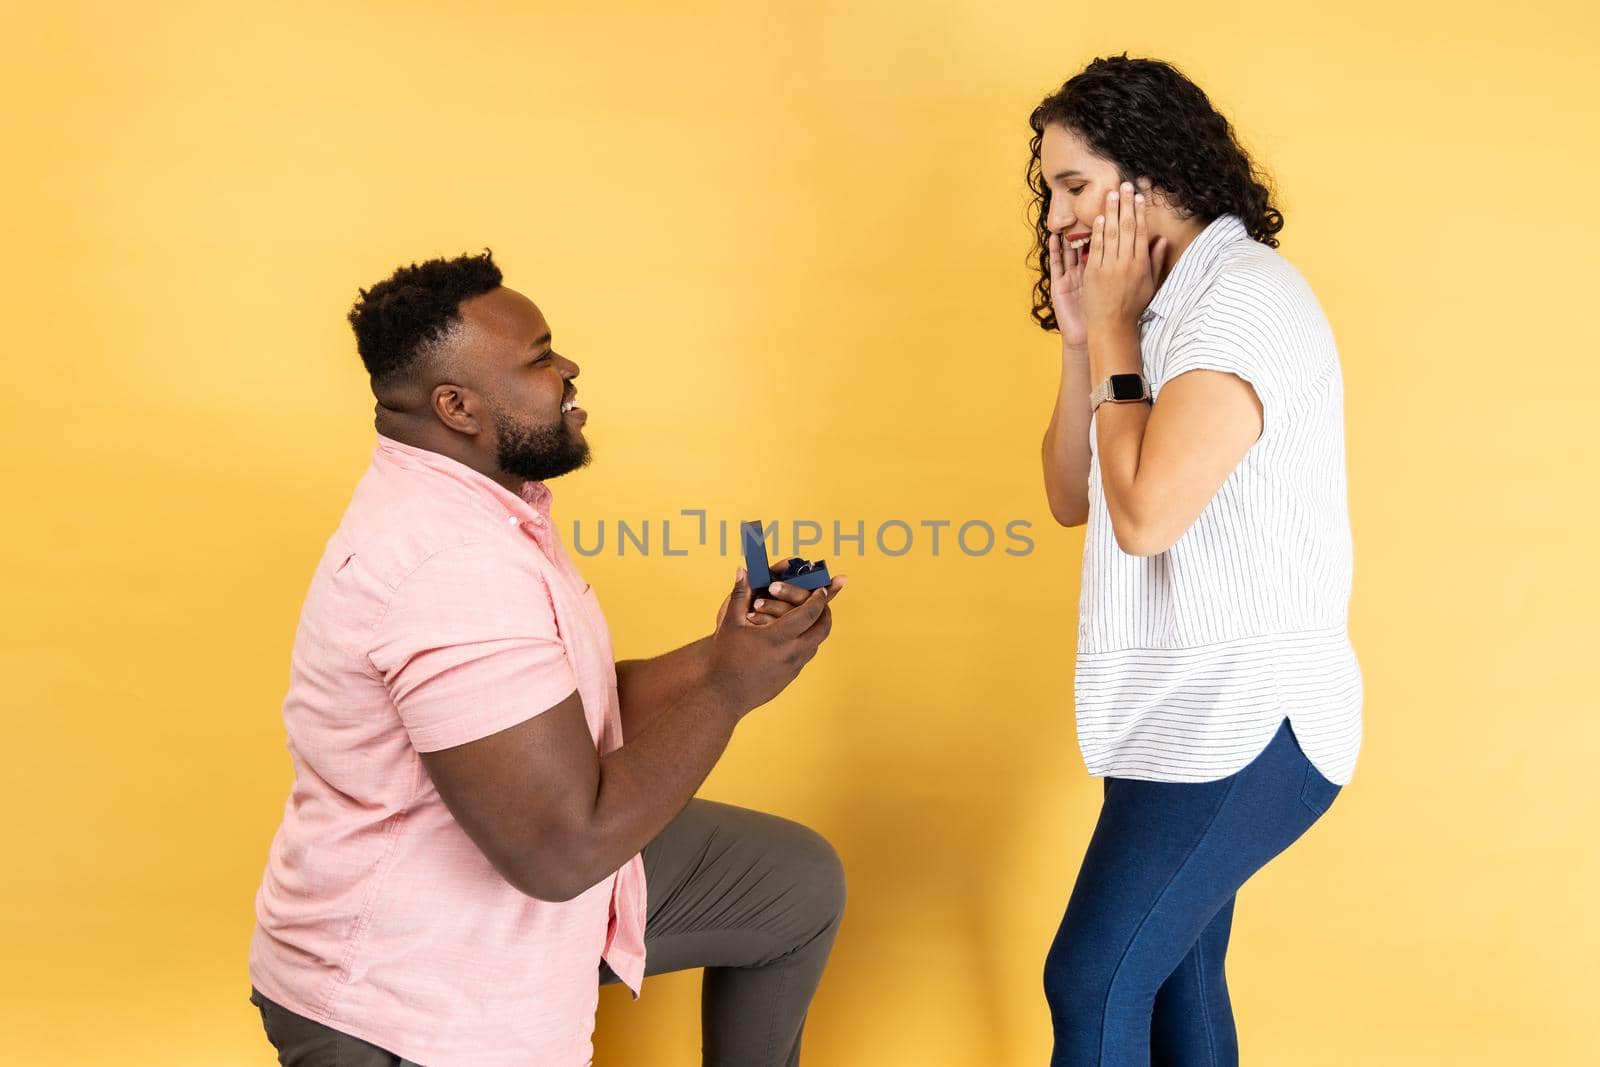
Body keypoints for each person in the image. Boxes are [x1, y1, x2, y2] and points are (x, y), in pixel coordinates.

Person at [248, 251, 847, 1067]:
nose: (567, 369)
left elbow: (559, 709)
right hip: (406, 1006)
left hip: (500, 881)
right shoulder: (449, 566)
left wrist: (731, 651)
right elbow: (560, 853)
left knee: (792, 881)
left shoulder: (482, 508)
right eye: (538, 356)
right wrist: (728, 691)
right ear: (458, 406)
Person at [1029, 56, 1363, 1066]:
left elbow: (1143, 518)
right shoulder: (1166, 309)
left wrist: (1121, 328)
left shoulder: (1241, 299)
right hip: (1174, 712)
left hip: (1249, 715)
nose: (1052, 216)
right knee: (1173, 978)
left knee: (1090, 977)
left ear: (1154, 174)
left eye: (1074, 186)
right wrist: (1086, 342)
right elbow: (1069, 496)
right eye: (1046, 191)